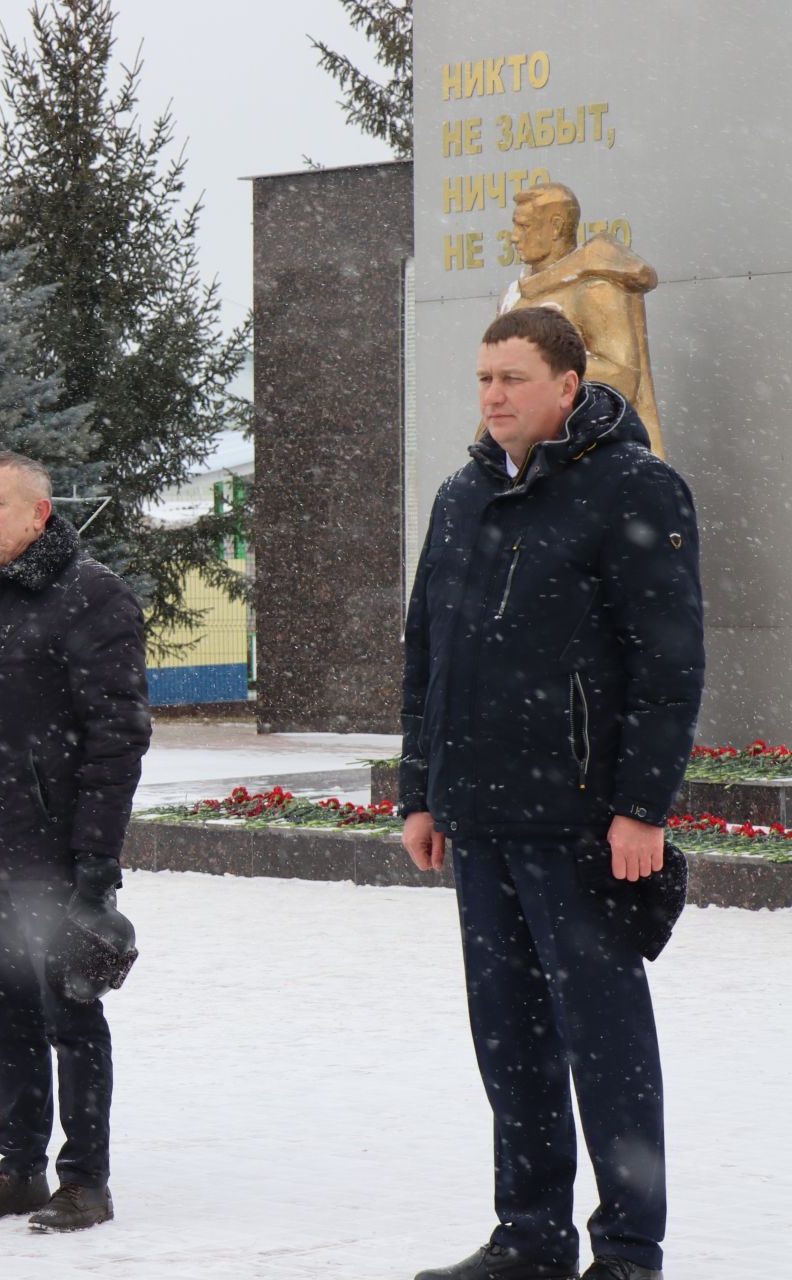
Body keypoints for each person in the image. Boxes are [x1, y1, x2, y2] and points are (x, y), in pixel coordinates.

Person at [401, 306, 703, 1280]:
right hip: (479, 820)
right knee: (512, 1043)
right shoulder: (462, 496)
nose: (494, 395)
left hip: (580, 821)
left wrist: (643, 806)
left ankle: (627, 1249)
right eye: (485, 377)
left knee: (606, 1047)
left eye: (514, 378)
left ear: (568, 385)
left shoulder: (634, 488)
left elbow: (669, 662)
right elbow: (426, 652)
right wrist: (422, 792)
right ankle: (529, 1236)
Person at [0, 451, 151, 1233]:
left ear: (40, 512)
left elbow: (116, 739)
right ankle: (18, 1169)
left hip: (55, 858)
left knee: (71, 1017)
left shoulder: (92, 598)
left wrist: (96, 867)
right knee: (6, 1015)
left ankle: (85, 1180)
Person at [500, 183, 663, 454]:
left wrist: (541, 364)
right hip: (517, 458)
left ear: (555, 227)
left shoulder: (595, 289)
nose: (514, 237)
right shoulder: (513, 297)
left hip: (581, 456)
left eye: (524, 226)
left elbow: (623, 377)